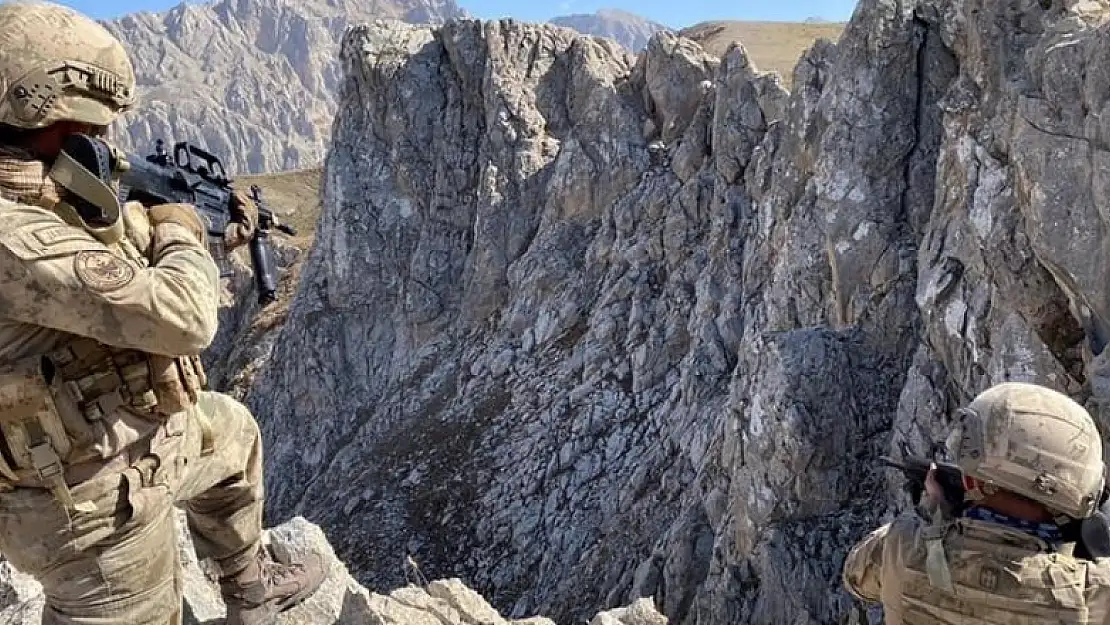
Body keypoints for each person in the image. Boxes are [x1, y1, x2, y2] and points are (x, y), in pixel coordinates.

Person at [0, 2, 326, 623]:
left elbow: (107, 244)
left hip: (132, 445)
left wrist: (182, 229)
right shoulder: (15, 235)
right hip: (85, 509)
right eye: (89, 128)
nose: (100, 142)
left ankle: (251, 590)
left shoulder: (37, 195)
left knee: (232, 435)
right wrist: (182, 230)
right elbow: (184, 317)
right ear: (47, 116)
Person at [842, 381, 1110, 622]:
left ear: (970, 482)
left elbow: (856, 576)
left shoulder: (900, 546)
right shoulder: (1092, 591)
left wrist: (935, 517)